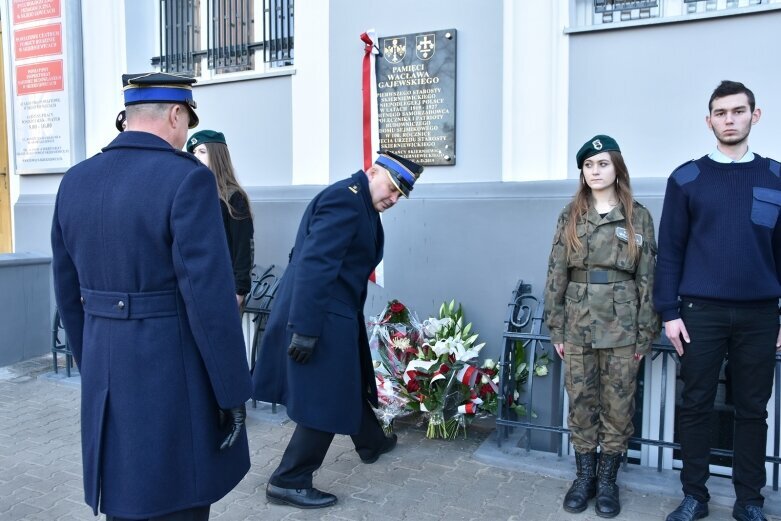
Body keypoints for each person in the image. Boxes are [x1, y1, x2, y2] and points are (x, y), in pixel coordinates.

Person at [51, 72, 252, 521]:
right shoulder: (187, 180)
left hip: (104, 366)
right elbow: (209, 300)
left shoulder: (74, 181)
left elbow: (66, 291)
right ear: (177, 115)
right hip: (170, 372)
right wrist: (231, 391)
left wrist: (93, 361)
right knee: (176, 501)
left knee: (125, 498)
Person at [252, 151, 423, 509]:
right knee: (326, 399)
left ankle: (371, 442)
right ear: (372, 171)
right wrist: (306, 328)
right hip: (320, 314)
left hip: (334, 311)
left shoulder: (359, 202)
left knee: (347, 381)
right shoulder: (345, 201)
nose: (393, 199)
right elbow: (316, 264)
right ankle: (289, 479)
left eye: (399, 195)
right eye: (391, 188)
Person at [655, 81, 781, 521]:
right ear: (709, 120)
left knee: (752, 410)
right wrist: (668, 313)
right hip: (699, 314)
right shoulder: (686, 178)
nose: (730, 119)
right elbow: (669, 250)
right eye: (721, 113)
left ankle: (749, 500)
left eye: (738, 111)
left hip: (761, 315)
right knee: (696, 405)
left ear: (755, 115)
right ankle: (695, 496)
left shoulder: (776, 176)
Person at [543, 135, 660, 518]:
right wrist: (556, 327)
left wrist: (645, 332)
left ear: (617, 168)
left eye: (603, 164)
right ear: (582, 171)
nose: (596, 171)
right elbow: (556, 272)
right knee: (581, 401)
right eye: (589, 165)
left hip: (624, 324)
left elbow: (648, 277)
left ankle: (608, 481)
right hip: (577, 321)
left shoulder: (637, 215)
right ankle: (584, 477)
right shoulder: (571, 214)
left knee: (619, 403)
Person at [187, 130, 254, 309]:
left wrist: (240, 290)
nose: (196, 156)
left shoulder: (233, 197)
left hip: (223, 287)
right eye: (193, 152)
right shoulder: (193, 194)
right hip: (196, 284)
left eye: (202, 151)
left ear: (216, 154)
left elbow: (243, 245)